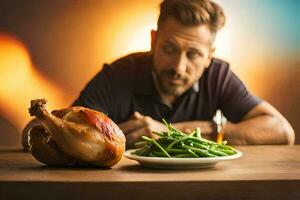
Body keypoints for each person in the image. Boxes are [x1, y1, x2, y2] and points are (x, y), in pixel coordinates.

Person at [24, 0, 295, 149]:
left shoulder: (219, 76)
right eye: (169, 48)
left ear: (210, 55)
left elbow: (282, 131)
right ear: (153, 41)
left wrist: (175, 132)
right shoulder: (117, 76)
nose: (179, 66)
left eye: (194, 55)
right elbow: (37, 131)